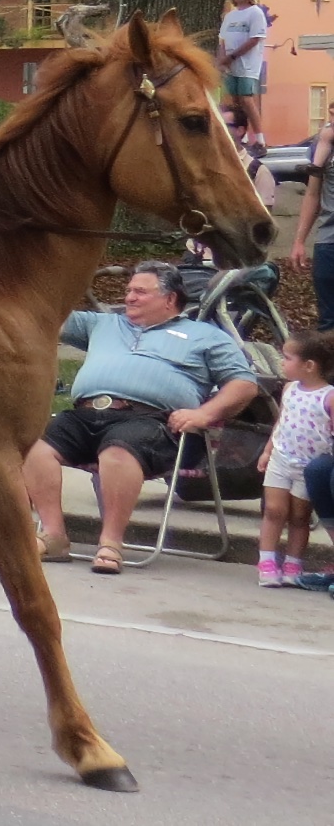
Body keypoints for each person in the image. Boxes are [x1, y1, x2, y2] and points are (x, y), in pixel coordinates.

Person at [22, 261, 260, 576]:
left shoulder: (204, 336)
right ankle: (53, 535)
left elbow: (244, 384)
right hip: (85, 414)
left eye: (140, 292)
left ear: (170, 299)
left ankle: (111, 543)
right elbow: (44, 313)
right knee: (33, 444)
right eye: (129, 290)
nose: (129, 297)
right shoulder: (103, 324)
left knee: (118, 449)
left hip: (152, 422)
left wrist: (204, 413)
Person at [257, 334, 334, 586]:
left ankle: (293, 563)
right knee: (273, 510)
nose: (282, 363)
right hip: (281, 458)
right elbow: (281, 422)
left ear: (309, 365)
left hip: (308, 465)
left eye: (287, 358)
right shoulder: (289, 389)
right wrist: (268, 450)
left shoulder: (329, 396)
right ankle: (266, 560)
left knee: (300, 517)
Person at [290, 110, 334, 328]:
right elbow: (313, 195)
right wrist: (299, 241)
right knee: (328, 321)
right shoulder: (323, 146)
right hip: (328, 242)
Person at [219, 0, 270, 137]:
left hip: (247, 64)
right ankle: (243, 135)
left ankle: (260, 137)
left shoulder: (255, 13)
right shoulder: (229, 16)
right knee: (235, 101)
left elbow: (254, 39)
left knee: (246, 99)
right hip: (230, 64)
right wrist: (221, 59)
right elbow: (222, 39)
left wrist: (233, 56)